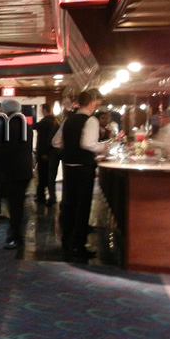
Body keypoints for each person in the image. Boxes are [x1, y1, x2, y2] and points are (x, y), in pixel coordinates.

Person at [52, 89, 107, 262]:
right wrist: (104, 147)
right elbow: (87, 144)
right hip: (83, 168)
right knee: (82, 207)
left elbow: (56, 142)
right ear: (92, 101)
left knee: (69, 205)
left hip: (69, 167)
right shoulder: (91, 120)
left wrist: (71, 147)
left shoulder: (68, 119)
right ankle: (78, 246)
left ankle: (67, 242)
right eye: (97, 102)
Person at [0, 99, 34, 250]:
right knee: (19, 204)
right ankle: (18, 235)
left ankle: (15, 237)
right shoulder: (26, 126)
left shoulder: (7, 126)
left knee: (14, 206)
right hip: (24, 170)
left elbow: (5, 151)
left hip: (12, 172)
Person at [33, 103, 57, 206]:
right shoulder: (55, 121)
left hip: (44, 153)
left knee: (43, 175)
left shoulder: (45, 122)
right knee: (50, 175)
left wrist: (43, 152)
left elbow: (43, 139)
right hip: (51, 153)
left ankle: (42, 196)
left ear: (44, 110)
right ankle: (50, 196)